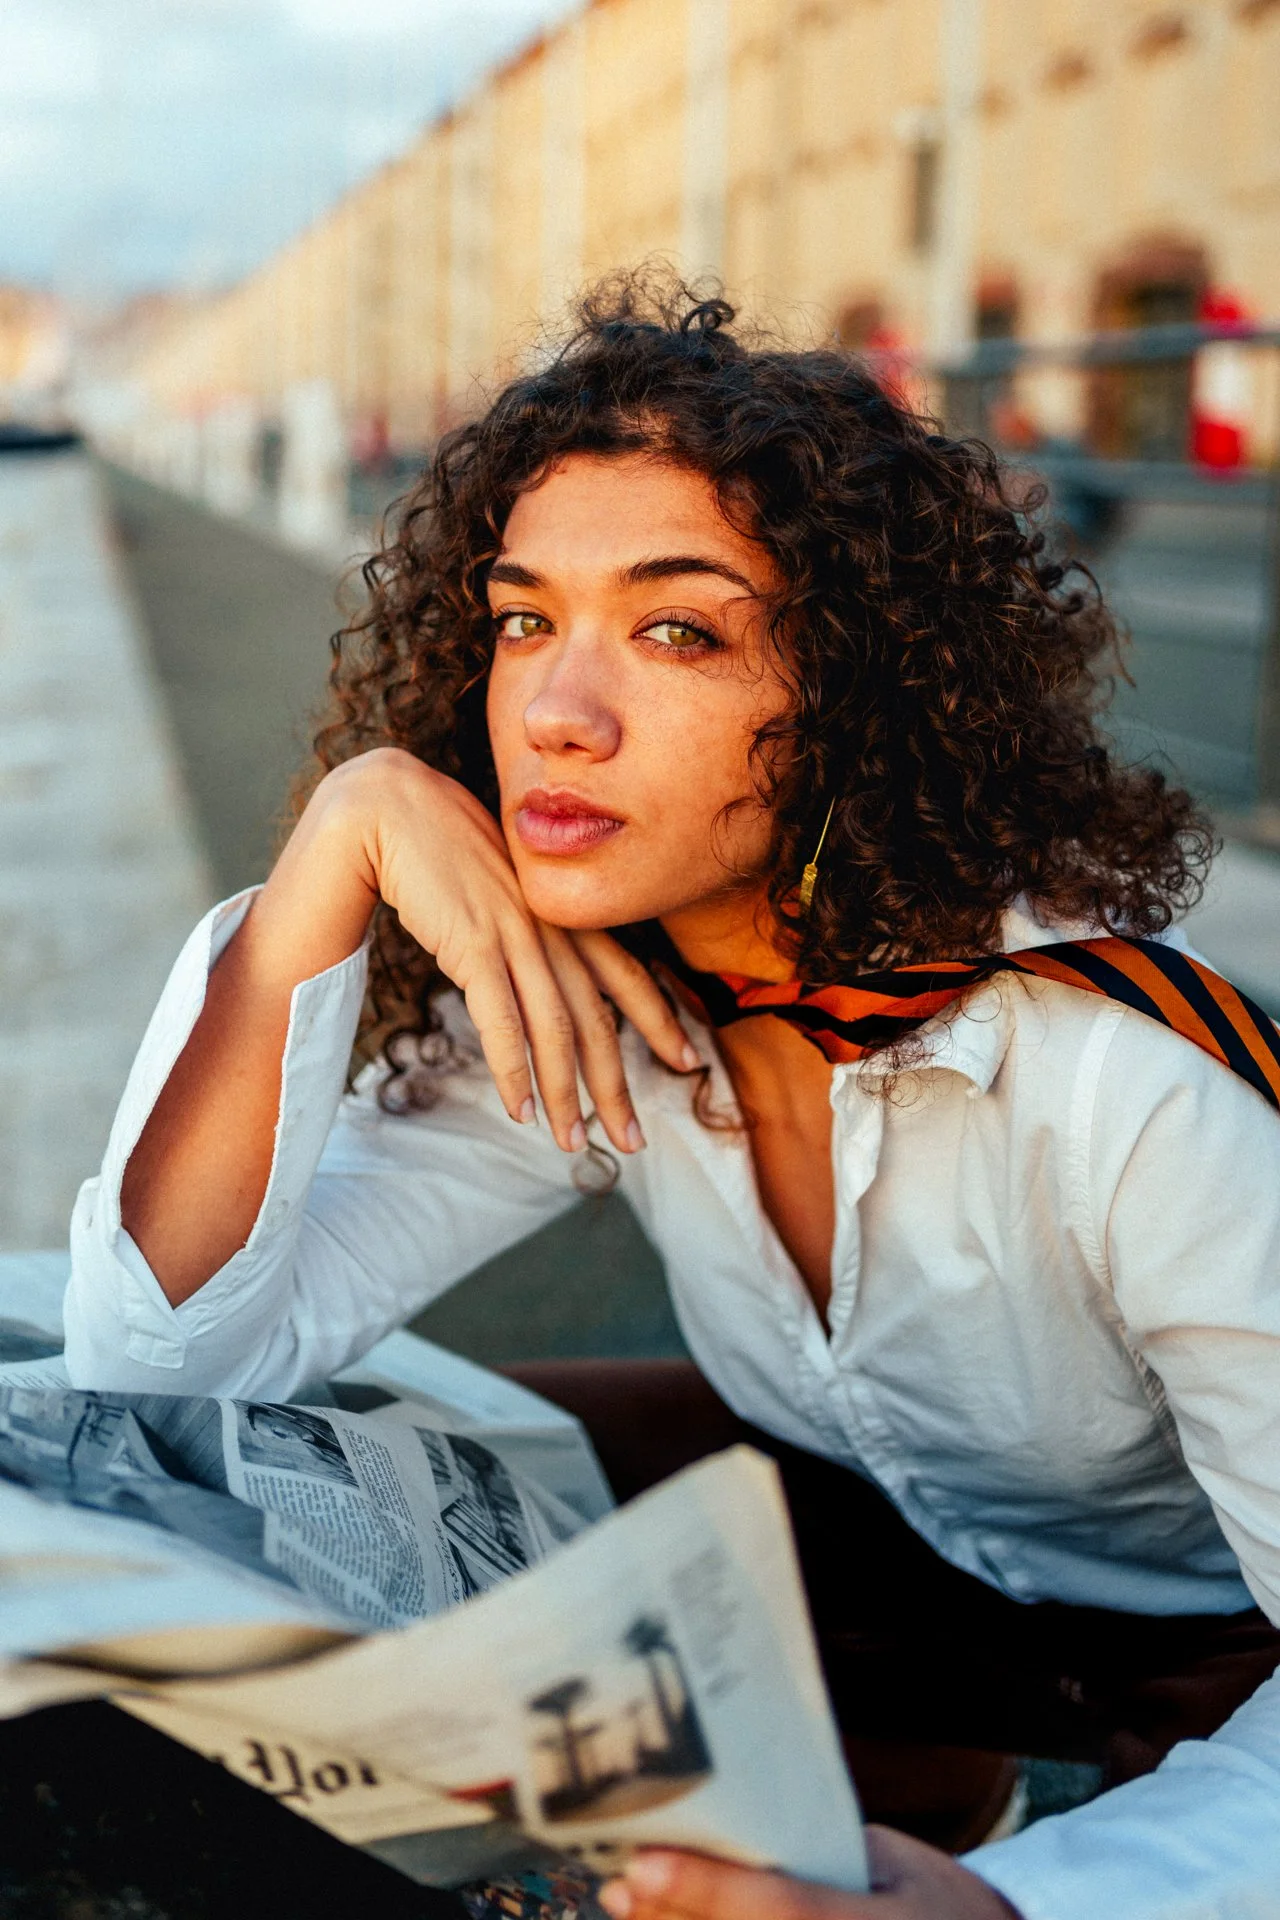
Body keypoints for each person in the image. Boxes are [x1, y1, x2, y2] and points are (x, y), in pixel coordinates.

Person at [64, 279, 1280, 1919]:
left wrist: (1014, 1909)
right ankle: (906, 1766)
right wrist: (331, 858)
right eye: (521, 620)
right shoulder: (610, 992)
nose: (556, 714)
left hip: (1201, 1662)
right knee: (283, 1459)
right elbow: (159, 1351)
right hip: (891, 1552)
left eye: (676, 629)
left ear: (854, 691)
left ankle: (969, 1812)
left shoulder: (1125, 1088)